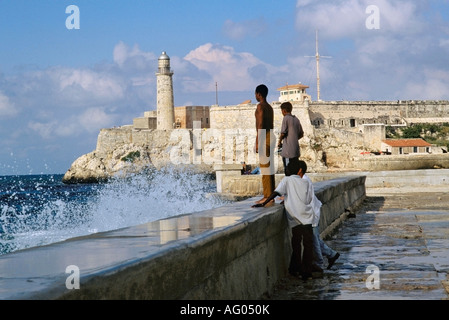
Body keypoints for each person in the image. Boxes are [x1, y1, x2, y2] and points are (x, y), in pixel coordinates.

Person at [252, 158, 315, 280]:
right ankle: (307, 272)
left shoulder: (286, 180)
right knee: (308, 245)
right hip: (307, 216)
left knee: (296, 243)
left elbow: (276, 193)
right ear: (300, 170)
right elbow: (307, 200)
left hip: (294, 217)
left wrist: (264, 203)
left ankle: (296, 269)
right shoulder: (305, 182)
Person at [302, 171, 340, 272]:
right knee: (315, 238)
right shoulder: (303, 179)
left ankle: (319, 263)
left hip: (312, 213)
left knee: (314, 239)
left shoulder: (304, 180)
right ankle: (331, 254)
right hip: (312, 212)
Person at [254, 84, 275, 204]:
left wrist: (257, 141)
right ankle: (271, 194)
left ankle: (267, 196)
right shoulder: (270, 107)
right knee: (270, 167)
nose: (255, 96)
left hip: (264, 136)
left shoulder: (260, 106)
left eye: (256, 94)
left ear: (259, 94)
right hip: (271, 136)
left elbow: (260, 124)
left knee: (265, 167)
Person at [278, 102, 304, 174]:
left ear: (283, 110)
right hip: (296, 151)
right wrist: (294, 138)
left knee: (288, 171)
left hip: (287, 152)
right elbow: (301, 134)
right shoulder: (296, 119)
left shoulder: (286, 118)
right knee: (295, 171)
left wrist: (279, 141)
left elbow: (283, 133)